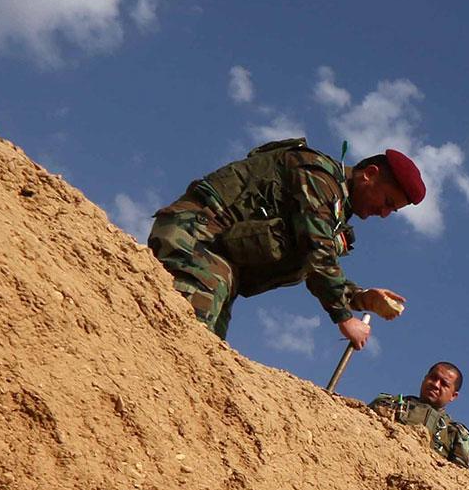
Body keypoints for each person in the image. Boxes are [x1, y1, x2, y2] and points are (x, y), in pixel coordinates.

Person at [147, 138, 422, 346]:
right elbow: (316, 247)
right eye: (387, 202)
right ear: (369, 174)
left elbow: (317, 262)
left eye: (392, 210)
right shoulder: (318, 176)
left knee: (209, 350)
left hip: (219, 263)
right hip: (196, 236)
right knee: (182, 340)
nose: (384, 214)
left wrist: (361, 298)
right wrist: (344, 317)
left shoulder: (335, 214)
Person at [366, 361, 469, 468]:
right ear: (425, 379)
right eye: (433, 378)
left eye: (444, 384)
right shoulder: (389, 403)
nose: (435, 385)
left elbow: (459, 475)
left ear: (453, 396)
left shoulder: (456, 432)